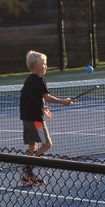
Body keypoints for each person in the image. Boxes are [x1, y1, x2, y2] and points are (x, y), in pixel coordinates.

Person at [19, 51, 73, 186]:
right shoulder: (39, 79)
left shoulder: (28, 80)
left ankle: (26, 177)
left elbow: (28, 98)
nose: (46, 66)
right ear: (35, 65)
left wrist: (41, 107)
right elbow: (47, 97)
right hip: (35, 119)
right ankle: (28, 168)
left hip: (26, 118)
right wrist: (64, 101)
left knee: (33, 147)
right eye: (44, 64)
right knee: (47, 144)